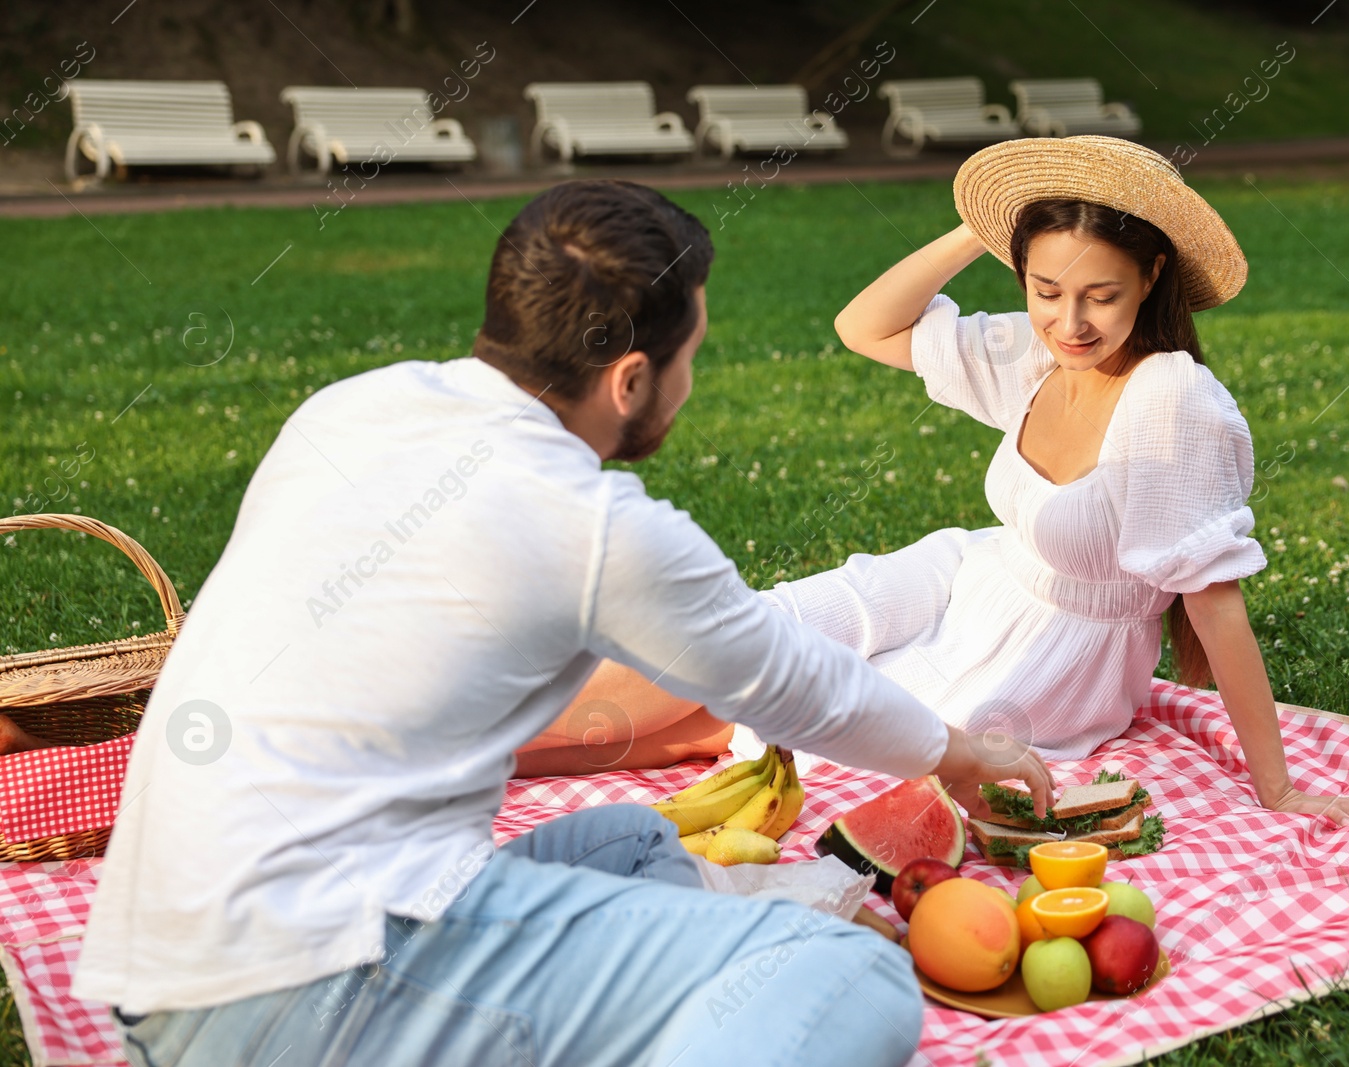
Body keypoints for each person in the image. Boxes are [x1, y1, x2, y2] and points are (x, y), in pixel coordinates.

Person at [73, 179, 1052, 1067]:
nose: (689, 381)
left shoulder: (348, 409)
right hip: (301, 993)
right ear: (629, 380)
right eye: (690, 357)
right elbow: (791, 680)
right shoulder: (588, 527)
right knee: (848, 974)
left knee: (628, 846)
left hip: (156, 968)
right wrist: (956, 749)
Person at [549, 138, 1349, 828]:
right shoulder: (1032, 352)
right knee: (754, 633)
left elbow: (1216, 604)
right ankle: (449, 735)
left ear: (1152, 279)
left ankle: (464, 742)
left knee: (750, 720)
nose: (1071, 323)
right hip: (966, 573)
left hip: (1058, 655)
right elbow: (863, 326)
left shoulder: (1172, 402)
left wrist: (1281, 789)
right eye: (1045, 289)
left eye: (1101, 296)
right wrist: (983, 226)